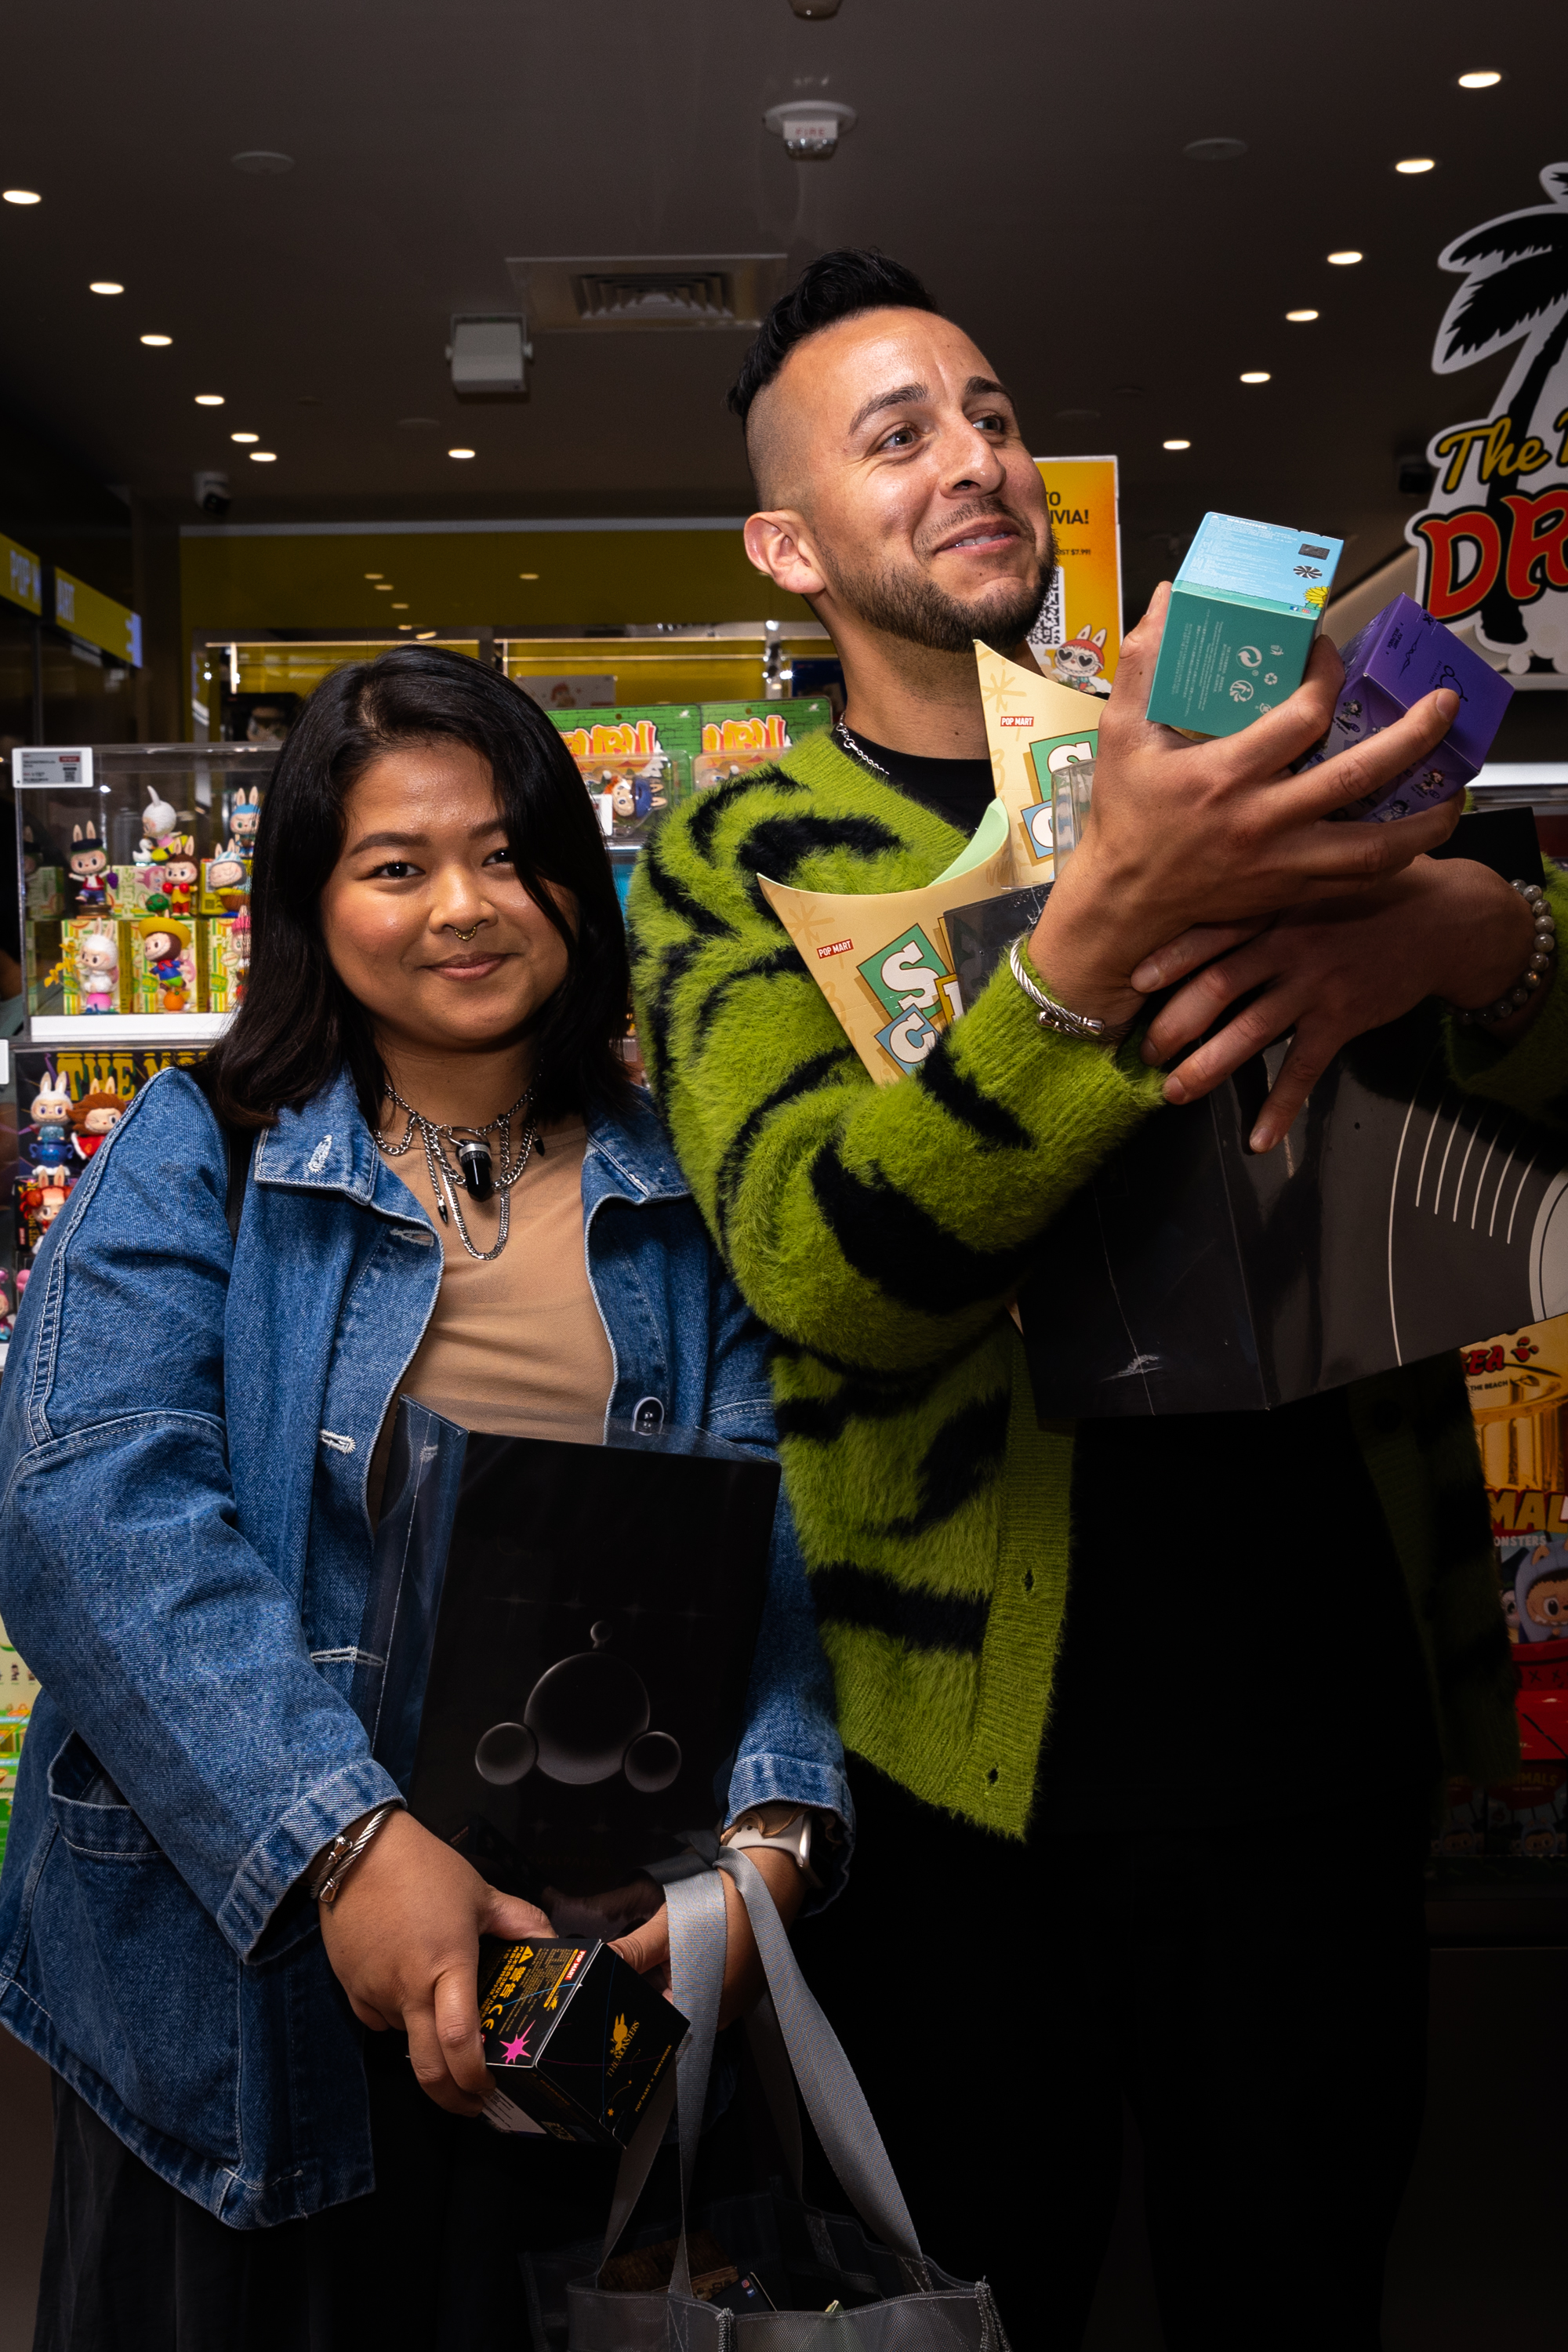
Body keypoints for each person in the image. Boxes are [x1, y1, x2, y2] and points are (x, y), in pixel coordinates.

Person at [626, 250, 1568, 2350]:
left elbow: (1520, 1071)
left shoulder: (1220, 744)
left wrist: (1466, 935)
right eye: (896, 436)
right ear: (787, 546)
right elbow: (813, 1262)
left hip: (1318, 1721)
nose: (969, 457)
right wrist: (1082, 957)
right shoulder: (738, 852)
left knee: (1303, 2293)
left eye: (984, 411)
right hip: (967, 1792)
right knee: (984, 2307)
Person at [0, 647, 848, 2352]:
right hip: (248, 2018)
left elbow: (781, 1541)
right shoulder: (205, 1147)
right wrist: (348, 1846)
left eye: (509, 855)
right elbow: (86, 1502)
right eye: (395, 866)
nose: (463, 907)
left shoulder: (684, 1176)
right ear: (314, 904)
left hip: (594, 1982)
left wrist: (757, 1865)